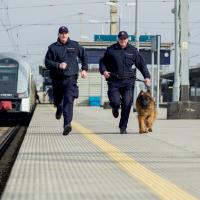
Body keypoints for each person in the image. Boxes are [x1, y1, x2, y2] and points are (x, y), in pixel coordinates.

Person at [99, 31, 151, 134]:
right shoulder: (111, 50)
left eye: (124, 39)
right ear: (118, 39)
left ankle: (123, 127)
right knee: (115, 102)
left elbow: (141, 64)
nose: (123, 41)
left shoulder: (133, 51)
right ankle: (115, 107)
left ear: (127, 39)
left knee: (127, 104)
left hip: (128, 82)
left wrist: (147, 77)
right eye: (121, 39)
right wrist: (104, 71)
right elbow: (102, 62)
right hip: (114, 80)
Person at [45, 26, 88, 135]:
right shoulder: (53, 48)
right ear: (58, 35)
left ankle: (67, 124)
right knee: (58, 101)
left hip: (70, 79)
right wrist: (59, 65)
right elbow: (47, 62)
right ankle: (58, 108)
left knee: (68, 101)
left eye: (65, 33)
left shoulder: (75, 45)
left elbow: (84, 56)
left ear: (68, 34)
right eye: (61, 33)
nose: (64, 35)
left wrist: (84, 69)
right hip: (57, 80)